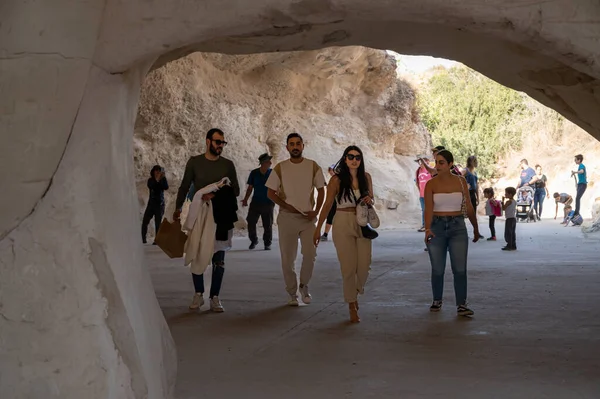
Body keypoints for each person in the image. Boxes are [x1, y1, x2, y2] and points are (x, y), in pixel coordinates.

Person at [173, 128, 240, 312]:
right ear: (208, 141)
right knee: (196, 251)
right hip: (200, 213)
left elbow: (236, 190)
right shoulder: (195, 162)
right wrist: (177, 208)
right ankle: (198, 294)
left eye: (223, 143)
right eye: (218, 142)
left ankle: (215, 297)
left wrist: (215, 194)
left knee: (219, 257)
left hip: (221, 214)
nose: (220, 146)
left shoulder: (228, 165)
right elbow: (185, 186)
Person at [313, 146, 374, 323]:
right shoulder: (337, 180)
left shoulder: (366, 177)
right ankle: (351, 303)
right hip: (342, 221)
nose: (354, 160)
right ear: (345, 159)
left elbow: (372, 197)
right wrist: (318, 229)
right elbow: (327, 205)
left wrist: (370, 199)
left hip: (362, 222)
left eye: (358, 157)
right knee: (348, 267)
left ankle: (353, 292)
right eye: (350, 156)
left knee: (364, 265)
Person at [266, 133, 326, 306]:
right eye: (291, 144)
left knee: (310, 253)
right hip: (287, 219)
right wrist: (285, 205)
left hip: (307, 218)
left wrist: (316, 211)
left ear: (302, 146)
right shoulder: (280, 168)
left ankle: (304, 285)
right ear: (287, 148)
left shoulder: (312, 166)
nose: (295, 147)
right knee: (288, 258)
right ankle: (292, 293)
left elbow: (321, 190)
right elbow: (270, 192)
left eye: (298, 143)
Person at [424, 150, 478, 317]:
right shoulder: (431, 184)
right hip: (437, 227)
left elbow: (468, 206)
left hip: (458, 227)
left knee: (460, 269)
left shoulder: (461, 182)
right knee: (438, 268)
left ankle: (461, 304)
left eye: (441, 162)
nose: (437, 166)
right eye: (436, 162)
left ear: (450, 164)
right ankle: (437, 299)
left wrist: (475, 228)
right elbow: (428, 209)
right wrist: (427, 229)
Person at [242, 153, 274, 250]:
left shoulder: (273, 173)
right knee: (250, 221)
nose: (270, 163)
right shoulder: (254, 173)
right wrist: (245, 199)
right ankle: (253, 240)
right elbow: (250, 188)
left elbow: (278, 188)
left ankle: (267, 243)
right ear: (263, 163)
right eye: (269, 161)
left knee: (267, 224)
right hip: (256, 202)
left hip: (268, 202)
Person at [142, 165, 169, 244]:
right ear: (153, 171)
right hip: (151, 204)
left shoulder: (163, 180)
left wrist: (160, 179)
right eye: (156, 170)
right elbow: (151, 186)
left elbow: (166, 187)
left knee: (158, 223)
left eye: (159, 170)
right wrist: (157, 180)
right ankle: (143, 239)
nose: (157, 172)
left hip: (159, 204)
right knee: (145, 222)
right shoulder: (150, 180)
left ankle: (157, 240)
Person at [320, 165, 338, 241]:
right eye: (330, 170)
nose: (331, 172)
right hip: (333, 201)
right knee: (330, 216)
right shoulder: (333, 179)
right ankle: (325, 234)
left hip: (339, 202)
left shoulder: (339, 179)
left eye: (332, 170)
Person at [415, 156, 432, 232]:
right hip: (422, 195)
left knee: (431, 210)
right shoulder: (418, 171)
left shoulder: (431, 170)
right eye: (419, 162)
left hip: (430, 194)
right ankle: (424, 225)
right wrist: (420, 191)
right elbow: (417, 182)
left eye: (422, 162)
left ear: (427, 162)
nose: (420, 163)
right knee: (424, 210)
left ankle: (431, 226)